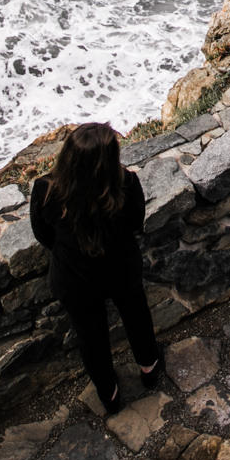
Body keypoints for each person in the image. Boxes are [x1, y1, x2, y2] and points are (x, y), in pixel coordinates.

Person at [29, 122, 162, 412]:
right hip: (121, 269)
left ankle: (109, 395)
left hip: (74, 279)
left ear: (67, 156)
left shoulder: (45, 190)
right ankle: (149, 369)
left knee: (91, 338)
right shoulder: (125, 184)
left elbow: (43, 236)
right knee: (136, 318)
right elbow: (135, 223)